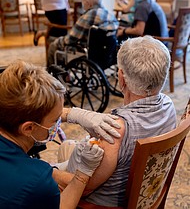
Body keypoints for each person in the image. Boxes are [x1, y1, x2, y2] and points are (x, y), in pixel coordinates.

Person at [53, 36, 177, 207]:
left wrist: (47, 171)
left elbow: (84, 187)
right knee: (67, 147)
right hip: (146, 195)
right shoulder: (168, 104)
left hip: (101, 204)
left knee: (39, 177)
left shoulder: (116, 130)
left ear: (122, 78)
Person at [0, 60, 123, 209]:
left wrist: (74, 114)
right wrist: (82, 174)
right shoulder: (36, 181)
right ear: (28, 128)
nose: (59, 122)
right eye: (55, 119)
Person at [47, 0, 119, 67]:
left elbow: (70, 39)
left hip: (88, 51)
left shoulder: (88, 16)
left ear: (89, 3)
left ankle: (55, 75)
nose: (82, 3)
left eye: (83, 1)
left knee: (52, 46)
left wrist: (59, 41)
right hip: (106, 53)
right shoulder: (109, 15)